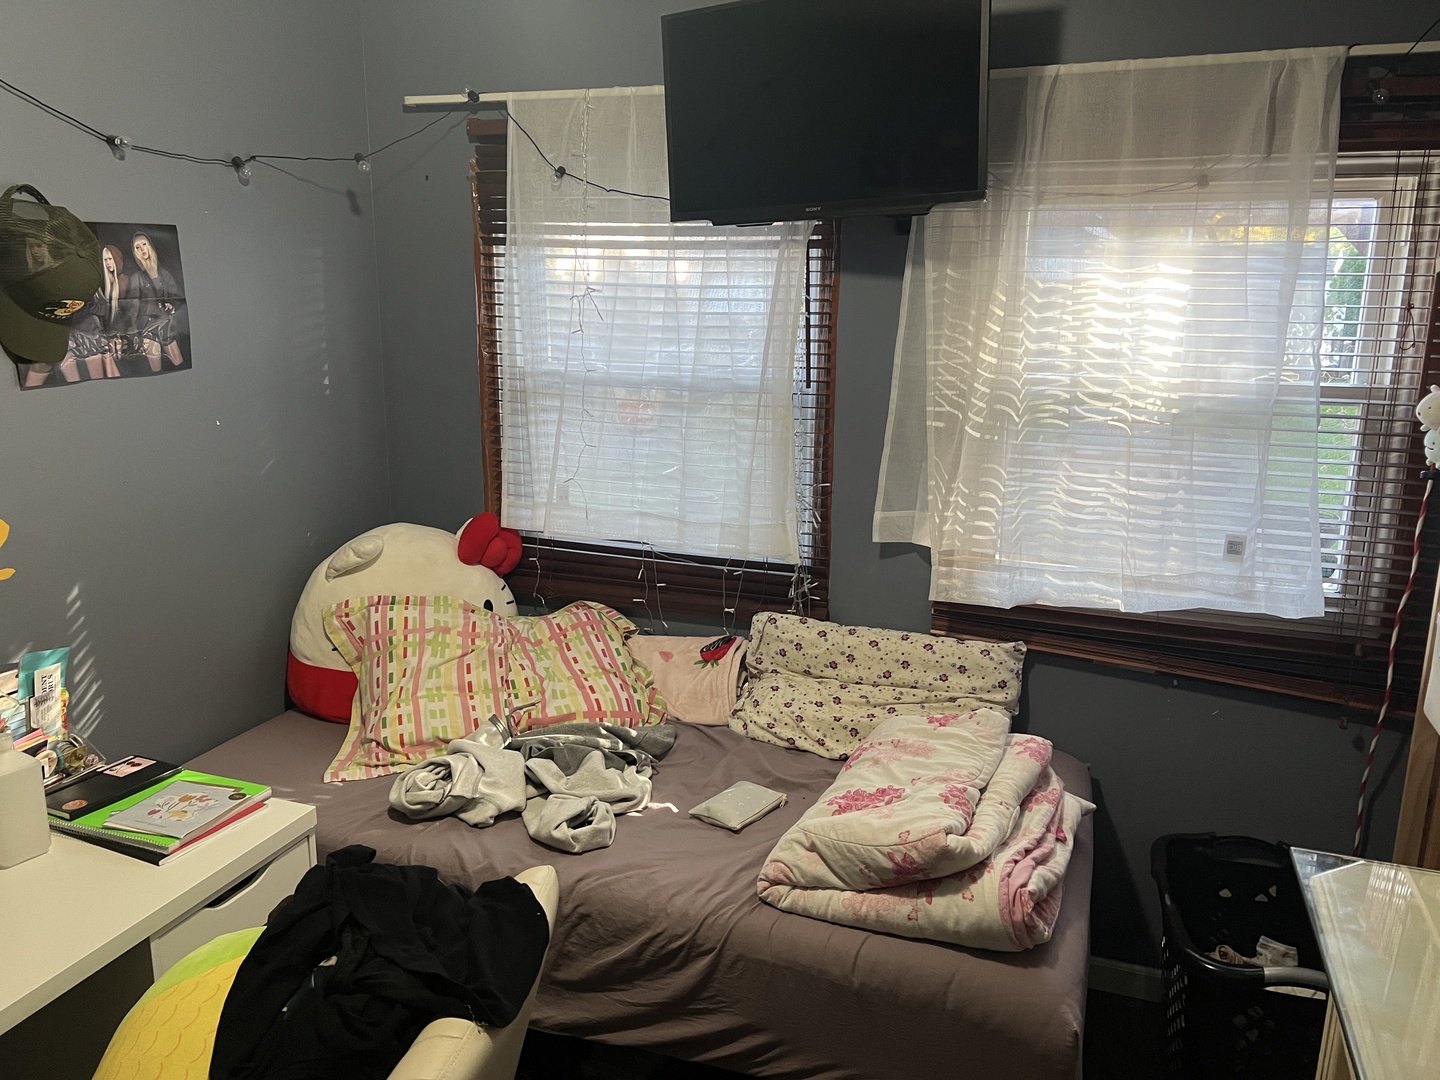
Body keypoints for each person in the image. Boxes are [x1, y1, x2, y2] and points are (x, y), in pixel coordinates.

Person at [58, 244, 128, 381]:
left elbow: (107, 310)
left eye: (110, 259)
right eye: (106, 260)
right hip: (76, 335)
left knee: (104, 370)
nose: (108, 263)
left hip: (94, 334)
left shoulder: (96, 282)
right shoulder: (69, 283)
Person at [124, 231, 186, 373]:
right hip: (148, 328)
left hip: (166, 325)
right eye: (137, 247)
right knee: (156, 370)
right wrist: (134, 332)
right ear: (135, 252)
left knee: (179, 364)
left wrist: (172, 305)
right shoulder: (136, 277)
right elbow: (133, 307)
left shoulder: (164, 274)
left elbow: (176, 296)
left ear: (150, 246)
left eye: (144, 244)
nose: (142, 249)